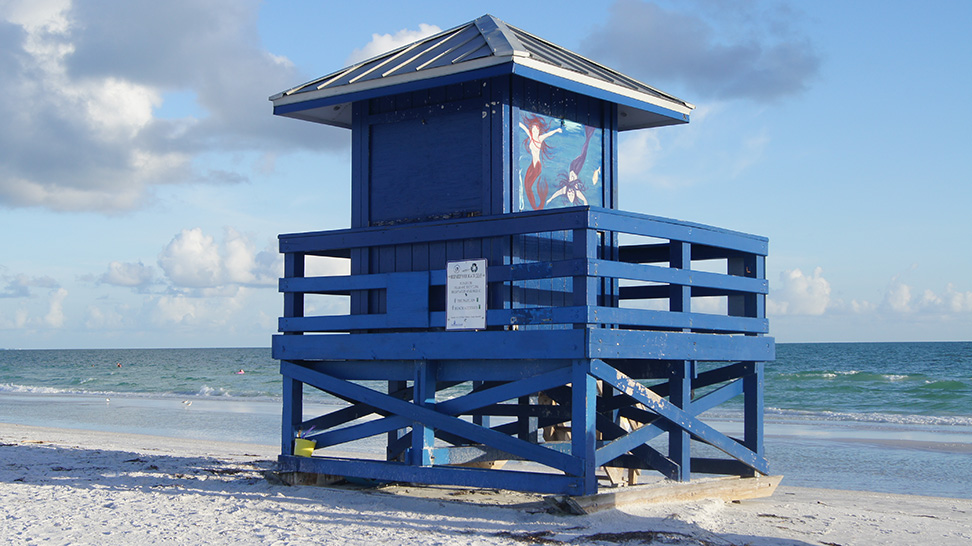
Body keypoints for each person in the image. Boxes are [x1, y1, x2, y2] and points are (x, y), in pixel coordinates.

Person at [519, 115, 561, 210]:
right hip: (531, 165)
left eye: (536, 131)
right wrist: (517, 121)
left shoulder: (539, 139)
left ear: (538, 131)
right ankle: (536, 207)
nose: (534, 132)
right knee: (527, 186)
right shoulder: (531, 137)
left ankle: (536, 207)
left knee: (528, 186)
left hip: (537, 166)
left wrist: (557, 130)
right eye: (533, 130)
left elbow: (549, 134)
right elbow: (524, 128)